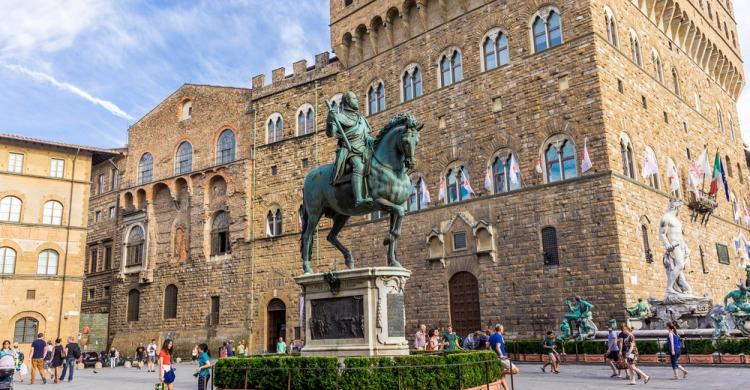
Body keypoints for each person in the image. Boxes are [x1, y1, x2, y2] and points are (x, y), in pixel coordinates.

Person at [489, 325, 516, 390]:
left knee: (502, 377)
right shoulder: (499, 336)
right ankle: (500, 372)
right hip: (502, 357)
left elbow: (487, 346)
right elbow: (497, 347)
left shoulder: (491, 336)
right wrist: (501, 355)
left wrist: (492, 354)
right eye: (502, 328)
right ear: (500, 329)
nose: (503, 330)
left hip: (495, 357)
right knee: (515, 370)